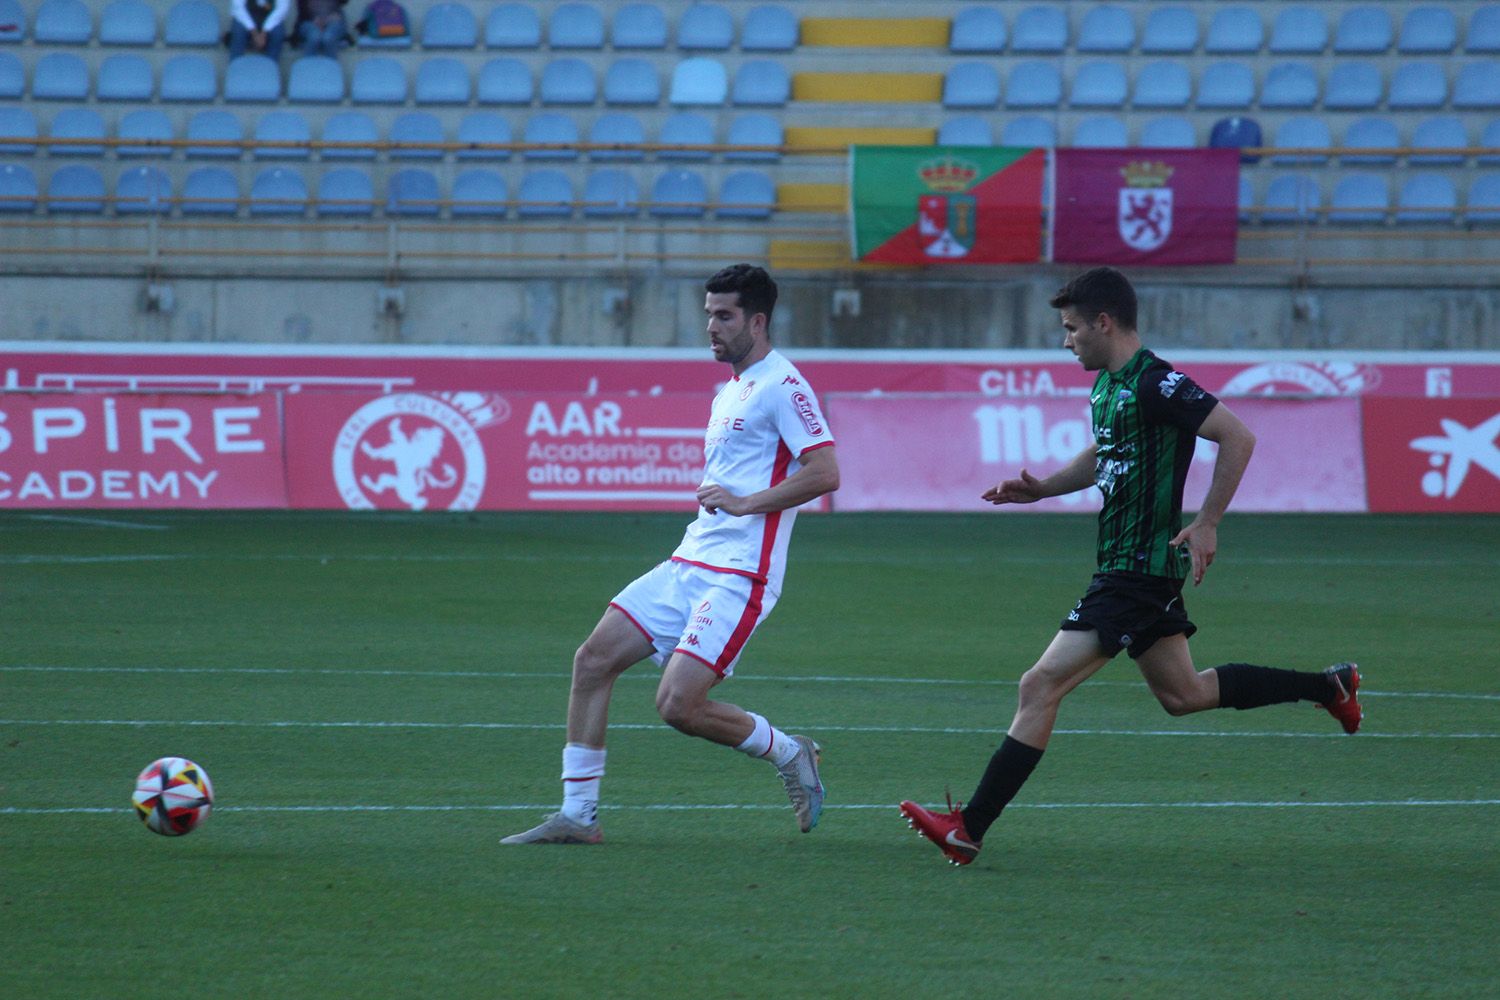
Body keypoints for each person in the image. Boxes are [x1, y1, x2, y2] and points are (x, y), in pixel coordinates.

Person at [898, 266, 1362, 867]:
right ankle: (1329, 686)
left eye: (1071, 329)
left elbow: (1237, 436)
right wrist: (1043, 488)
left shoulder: (1156, 383)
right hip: (1130, 567)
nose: (1066, 340)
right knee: (1184, 695)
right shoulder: (1108, 387)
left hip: (1136, 573)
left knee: (1039, 684)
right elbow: (1106, 453)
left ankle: (969, 828)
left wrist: (1209, 520)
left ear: (1104, 322)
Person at [503, 264, 840, 846]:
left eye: (725, 315)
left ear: (757, 321)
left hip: (740, 575)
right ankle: (578, 815)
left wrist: (746, 503)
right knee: (592, 661)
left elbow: (826, 472)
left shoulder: (785, 387)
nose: (711, 325)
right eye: (708, 313)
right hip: (690, 561)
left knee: (679, 706)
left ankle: (791, 752)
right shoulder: (731, 388)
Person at [228, 0, 293, 61]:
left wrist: (264, 33)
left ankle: (270, 67)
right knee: (238, 30)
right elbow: (238, 8)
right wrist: (254, 32)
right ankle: (235, 65)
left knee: (278, 33)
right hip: (247, 15)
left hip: (270, 17)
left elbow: (282, 10)